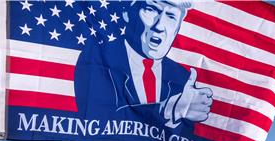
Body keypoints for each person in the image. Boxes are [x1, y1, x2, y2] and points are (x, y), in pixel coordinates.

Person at [74, 0, 213, 129]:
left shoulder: (182, 78)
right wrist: (165, 110)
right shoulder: (97, 59)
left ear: (178, 26)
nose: (159, 26)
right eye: (151, 9)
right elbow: (97, 119)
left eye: (171, 16)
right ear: (127, 13)